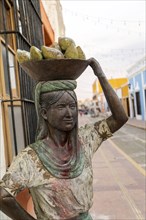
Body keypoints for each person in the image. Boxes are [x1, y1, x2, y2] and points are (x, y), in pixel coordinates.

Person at [0, 58, 128, 220]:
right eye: (61, 107)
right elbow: (3, 196)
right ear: (44, 113)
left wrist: (100, 74)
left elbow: (120, 118)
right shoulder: (31, 158)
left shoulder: (85, 139)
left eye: (72, 106)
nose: (69, 113)